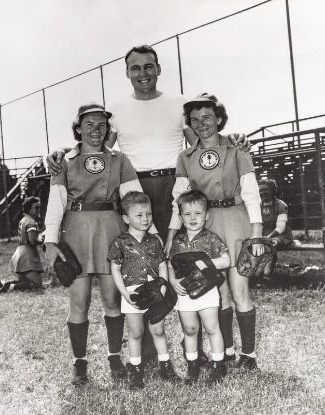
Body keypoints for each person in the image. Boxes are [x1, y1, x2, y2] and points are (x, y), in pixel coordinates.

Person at [46, 44, 250, 363]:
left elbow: (202, 142)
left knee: (187, 259)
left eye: (148, 66)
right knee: (140, 266)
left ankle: (204, 343)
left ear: (158, 69)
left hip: (174, 183)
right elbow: (98, 151)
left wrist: (231, 140)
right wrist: (63, 156)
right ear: (127, 72)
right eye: (135, 68)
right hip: (134, 190)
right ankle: (150, 351)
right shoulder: (115, 111)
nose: (142, 73)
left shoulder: (179, 103)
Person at [44, 103, 148, 385]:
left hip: (110, 231)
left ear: (107, 129)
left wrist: (144, 233)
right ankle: (80, 364)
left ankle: (115, 357)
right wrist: (51, 241)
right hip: (76, 232)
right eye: (88, 124)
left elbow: (134, 199)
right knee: (79, 301)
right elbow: (56, 204)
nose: (95, 130)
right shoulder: (64, 161)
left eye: (101, 125)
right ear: (78, 128)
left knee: (113, 299)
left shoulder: (119, 159)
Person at [166, 93, 264, 371]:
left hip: (236, 221)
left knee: (239, 289)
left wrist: (256, 233)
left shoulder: (236, 147)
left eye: (207, 117)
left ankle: (249, 354)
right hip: (205, 226)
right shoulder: (185, 156)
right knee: (216, 292)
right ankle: (227, 351)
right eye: (194, 120)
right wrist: (173, 233)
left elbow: (251, 193)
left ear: (219, 118)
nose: (201, 124)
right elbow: (179, 199)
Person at [108, 191, 180, 389]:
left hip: (155, 292)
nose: (145, 218)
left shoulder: (155, 240)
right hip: (132, 293)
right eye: (139, 215)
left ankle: (165, 366)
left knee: (158, 329)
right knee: (136, 331)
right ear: (126, 218)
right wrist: (124, 293)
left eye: (148, 214)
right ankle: (136, 370)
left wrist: (163, 285)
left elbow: (163, 264)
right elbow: (115, 268)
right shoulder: (120, 242)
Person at [168, 190, 231, 384]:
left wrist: (207, 263)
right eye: (187, 214)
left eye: (198, 213)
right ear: (180, 217)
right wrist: (173, 281)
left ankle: (218, 365)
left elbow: (227, 260)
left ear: (207, 215)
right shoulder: (177, 240)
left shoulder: (211, 238)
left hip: (207, 290)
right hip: (185, 291)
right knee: (190, 328)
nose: (193, 218)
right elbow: (170, 264)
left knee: (212, 327)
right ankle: (192, 366)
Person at [0, 196, 44, 294]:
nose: (38, 210)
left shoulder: (24, 219)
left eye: (39, 207)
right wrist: (41, 240)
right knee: (37, 285)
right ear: (29, 209)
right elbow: (33, 241)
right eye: (36, 207)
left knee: (24, 282)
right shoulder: (31, 221)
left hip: (20, 252)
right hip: (27, 255)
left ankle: (3, 283)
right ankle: (8, 286)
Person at [258, 178, 293, 247]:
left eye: (265, 190)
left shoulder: (281, 205)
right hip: (264, 235)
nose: (262, 193)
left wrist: (268, 237)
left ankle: (272, 257)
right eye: (260, 191)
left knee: (271, 243)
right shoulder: (258, 206)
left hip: (281, 236)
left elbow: (280, 228)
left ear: (272, 190)